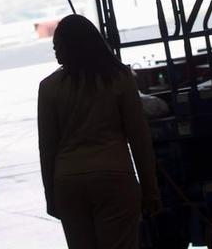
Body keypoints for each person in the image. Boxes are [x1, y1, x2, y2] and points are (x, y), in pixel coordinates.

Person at [37, 14, 161, 249]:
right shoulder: (120, 79)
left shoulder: (49, 88)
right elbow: (139, 138)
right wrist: (150, 190)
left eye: (57, 46)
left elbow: (47, 148)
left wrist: (51, 196)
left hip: (68, 183)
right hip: (114, 178)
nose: (55, 52)